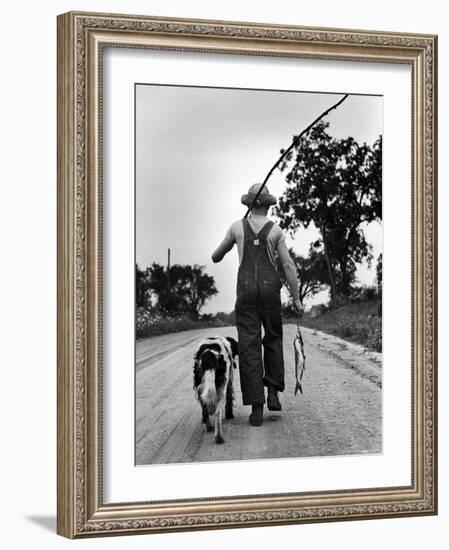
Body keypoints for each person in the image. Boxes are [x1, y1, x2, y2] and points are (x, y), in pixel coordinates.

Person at [212, 183, 302, 426]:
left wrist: (235, 236)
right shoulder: (276, 231)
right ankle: (273, 391)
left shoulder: (236, 227)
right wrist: (296, 298)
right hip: (270, 292)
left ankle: (256, 408)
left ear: (249, 204)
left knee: (249, 345)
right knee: (272, 338)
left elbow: (215, 256)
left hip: (246, 292)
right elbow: (288, 266)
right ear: (268, 205)